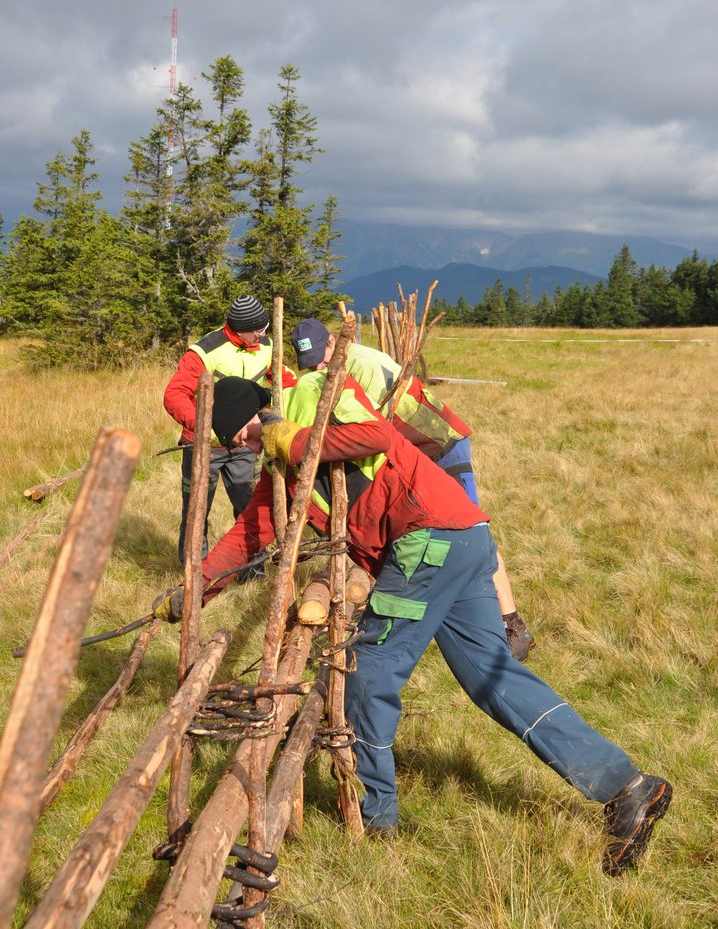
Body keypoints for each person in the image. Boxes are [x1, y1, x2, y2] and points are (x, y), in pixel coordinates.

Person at [154, 374, 672, 876]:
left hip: (430, 539)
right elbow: (247, 537)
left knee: (366, 674)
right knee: (494, 679)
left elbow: (375, 434)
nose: (247, 447)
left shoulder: (314, 392)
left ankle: (376, 822)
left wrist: (293, 438)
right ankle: (627, 786)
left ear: (258, 411)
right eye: (238, 443)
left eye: (245, 434)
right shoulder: (284, 474)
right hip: (460, 538)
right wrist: (193, 592)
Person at [289, 318, 534, 661]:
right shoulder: (339, 369)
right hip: (414, 456)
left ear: (333, 342)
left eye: (323, 360)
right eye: (311, 365)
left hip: (439, 445)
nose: (319, 369)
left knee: (471, 528)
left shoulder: (363, 367)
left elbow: (371, 433)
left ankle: (511, 624)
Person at [162, 294, 295, 562]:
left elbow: (286, 382)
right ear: (240, 329)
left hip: (247, 445)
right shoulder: (204, 352)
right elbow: (174, 395)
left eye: (266, 328)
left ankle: (251, 570)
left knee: (249, 508)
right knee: (197, 511)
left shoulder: (266, 346)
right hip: (205, 447)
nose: (264, 334)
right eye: (259, 330)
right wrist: (207, 429)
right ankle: (194, 572)